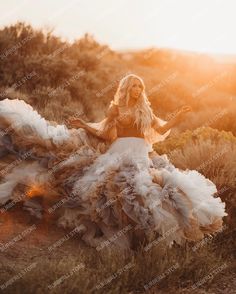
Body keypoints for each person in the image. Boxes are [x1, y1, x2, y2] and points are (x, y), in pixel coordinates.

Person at [0, 74, 227, 252]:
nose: (138, 90)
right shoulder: (116, 109)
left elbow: (161, 129)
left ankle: (147, 238)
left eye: (140, 87)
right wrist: (83, 125)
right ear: (126, 88)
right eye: (134, 86)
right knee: (110, 190)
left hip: (140, 154)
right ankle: (115, 233)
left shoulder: (145, 110)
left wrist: (178, 117)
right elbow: (107, 133)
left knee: (145, 190)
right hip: (119, 151)